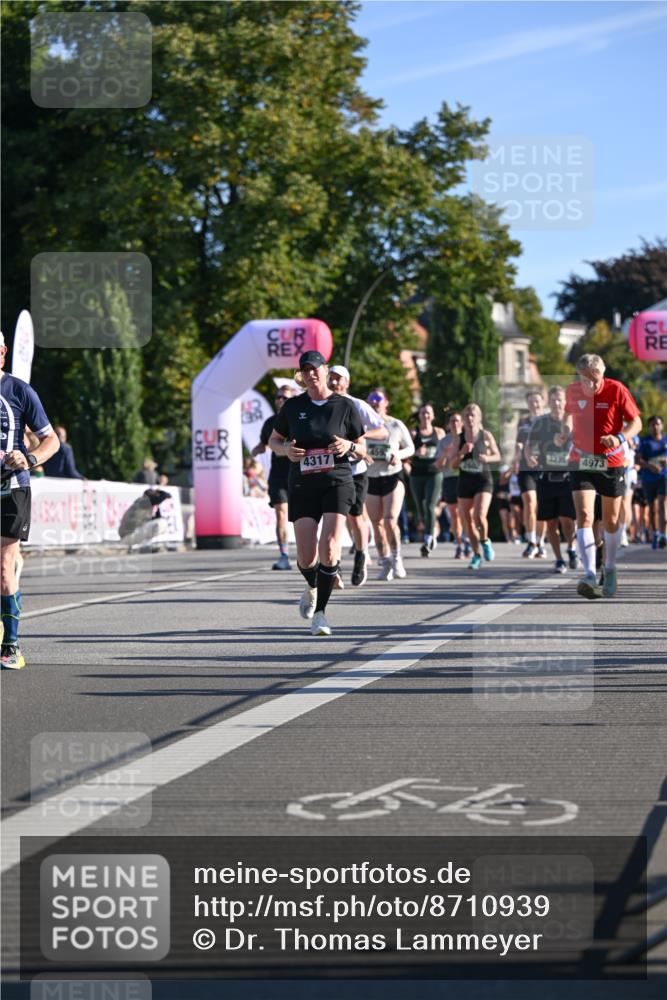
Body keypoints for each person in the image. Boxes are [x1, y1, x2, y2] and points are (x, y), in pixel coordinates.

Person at [269, 350, 365, 636]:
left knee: (331, 544)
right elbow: (274, 440)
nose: (311, 374)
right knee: (307, 555)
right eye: (305, 370)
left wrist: (348, 447)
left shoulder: (345, 406)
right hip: (302, 482)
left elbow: (362, 449)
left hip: (337, 480)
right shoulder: (293, 406)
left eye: (315, 368)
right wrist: (285, 450)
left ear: (326, 370)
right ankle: (312, 586)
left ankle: (321, 614)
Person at [0, 330, 60, 668]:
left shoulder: (20, 391)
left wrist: (30, 459)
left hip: (12, 487)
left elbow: (49, 440)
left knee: (4, 568)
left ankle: (11, 646)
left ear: (3, 353)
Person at [563, 354, 642, 599]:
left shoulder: (617, 389)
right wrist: (564, 432)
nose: (592, 386)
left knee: (610, 521)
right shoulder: (573, 391)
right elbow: (567, 416)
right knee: (584, 514)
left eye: (596, 380)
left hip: (611, 460)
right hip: (581, 459)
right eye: (587, 380)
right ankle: (588, 574)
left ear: (602, 374)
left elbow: (636, 423)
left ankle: (609, 568)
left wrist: (619, 438)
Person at [327, 366, 387, 587]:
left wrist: (360, 435)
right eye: (330, 378)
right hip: (332, 469)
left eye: (338, 379)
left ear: (347, 383)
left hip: (356, 470)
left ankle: (361, 556)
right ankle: (335, 569)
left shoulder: (358, 405)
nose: (333, 383)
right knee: (335, 518)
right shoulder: (322, 404)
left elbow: (382, 431)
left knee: (355, 516)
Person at [526, 385, 577, 573]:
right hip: (546, 477)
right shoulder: (540, 423)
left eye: (560, 399)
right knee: (550, 521)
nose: (557, 403)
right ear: (549, 401)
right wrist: (529, 456)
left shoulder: (574, 422)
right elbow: (528, 446)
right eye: (554, 399)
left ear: (566, 402)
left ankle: (571, 547)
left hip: (567, 477)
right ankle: (558, 559)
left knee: (567, 519)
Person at [365, 388, 414, 580]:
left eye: (378, 399)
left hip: (393, 475)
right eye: (371, 399)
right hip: (372, 477)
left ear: (386, 402)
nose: (375, 403)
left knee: (390, 520)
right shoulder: (364, 427)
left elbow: (410, 447)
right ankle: (384, 561)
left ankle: (397, 558)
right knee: (376, 524)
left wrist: (397, 455)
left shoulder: (395, 425)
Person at [447, 402, 501, 570]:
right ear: (464, 419)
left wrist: (487, 458)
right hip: (465, 481)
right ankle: (476, 555)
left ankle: (485, 541)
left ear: (479, 418)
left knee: (479, 516)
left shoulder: (486, 436)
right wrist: (462, 453)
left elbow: (497, 456)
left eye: (473, 415)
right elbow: (452, 465)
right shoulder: (459, 438)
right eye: (467, 415)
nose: (470, 418)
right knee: (468, 521)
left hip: (483, 480)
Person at [252, 384, 295, 570]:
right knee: (281, 514)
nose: (280, 400)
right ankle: (284, 555)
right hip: (277, 476)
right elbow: (263, 444)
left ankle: (311, 553)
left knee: (304, 516)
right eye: (278, 397)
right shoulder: (271, 423)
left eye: (285, 398)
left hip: (299, 474)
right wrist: (257, 449)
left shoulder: (299, 419)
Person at [514, 390, 547, 558]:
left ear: (542, 402)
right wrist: (517, 457)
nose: (535, 404)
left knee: (541, 506)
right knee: (529, 503)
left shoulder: (548, 421)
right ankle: (531, 540)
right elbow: (518, 443)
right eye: (532, 402)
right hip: (526, 468)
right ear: (528, 404)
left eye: (537, 401)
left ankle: (541, 542)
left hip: (543, 467)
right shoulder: (523, 422)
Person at [410, 403, 446, 556]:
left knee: (430, 506)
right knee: (421, 509)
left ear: (433, 416)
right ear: (419, 415)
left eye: (428, 413)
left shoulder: (439, 432)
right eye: (423, 412)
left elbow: (446, 451)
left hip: (434, 473)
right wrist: (417, 452)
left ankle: (428, 539)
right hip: (417, 473)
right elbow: (406, 453)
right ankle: (430, 532)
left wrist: (442, 464)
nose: (425, 415)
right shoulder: (413, 433)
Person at [435, 412, 465, 558]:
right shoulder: (444, 442)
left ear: (462, 423)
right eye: (452, 421)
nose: (455, 423)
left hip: (465, 478)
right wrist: (446, 455)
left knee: (466, 514)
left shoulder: (467, 439)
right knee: (454, 514)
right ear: (448, 424)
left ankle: (468, 540)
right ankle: (459, 543)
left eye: (458, 420)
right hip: (449, 479)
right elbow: (438, 466)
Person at [637, 415, 667, 549]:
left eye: (658, 424)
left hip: (663, 476)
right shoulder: (645, 442)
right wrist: (650, 466)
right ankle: (654, 533)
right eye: (652, 425)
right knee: (652, 508)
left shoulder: (666, 440)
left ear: (662, 426)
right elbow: (638, 459)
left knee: (662, 503)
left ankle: (663, 534)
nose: (655, 427)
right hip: (648, 478)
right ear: (649, 427)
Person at [118, 488, 172, 552]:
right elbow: (163, 496)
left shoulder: (143, 505)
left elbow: (156, 517)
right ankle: (143, 546)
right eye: (154, 496)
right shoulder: (143, 501)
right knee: (161, 523)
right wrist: (159, 491)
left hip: (128, 536)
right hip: (128, 537)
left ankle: (146, 546)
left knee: (158, 524)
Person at [494, 464, 520, 544]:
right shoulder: (498, 482)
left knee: (512, 521)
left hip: (511, 503)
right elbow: (496, 494)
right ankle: (507, 537)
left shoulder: (512, 480)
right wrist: (505, 495)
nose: (504, 474)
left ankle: (515, 536)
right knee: (505, 521)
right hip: (502, 504)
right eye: (503, 472)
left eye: (505, 472)